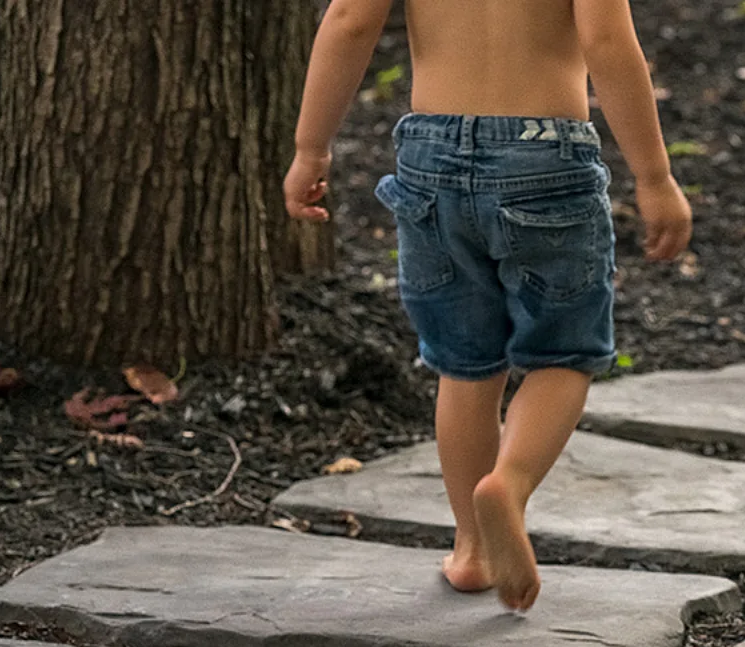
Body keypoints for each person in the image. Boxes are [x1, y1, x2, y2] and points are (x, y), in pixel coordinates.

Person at [284, 0, 691, 610]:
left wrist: (310, 147)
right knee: (565, 354)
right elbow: (607, 43)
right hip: (546, 158)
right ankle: (510, 483)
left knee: (464, 364)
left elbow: (349, 20)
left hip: (431, 159)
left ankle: (473, 551)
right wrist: (655, 178)